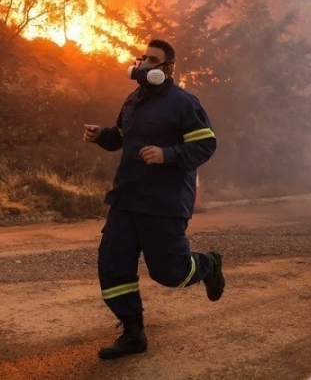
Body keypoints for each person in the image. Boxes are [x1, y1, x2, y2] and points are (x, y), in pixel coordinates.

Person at [83, 39, 224, 360]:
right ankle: (133, 333)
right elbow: (121, 138)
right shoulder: (133, 100)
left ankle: (208, 265)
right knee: (113, 265)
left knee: (170, 273)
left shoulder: (184, 103)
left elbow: (206, 145)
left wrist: (167, 154)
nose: (145, 64)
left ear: (169, 68)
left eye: (153, 60)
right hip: (126, 199)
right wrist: (101, 135)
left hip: (164, 204)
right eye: (143, 58)